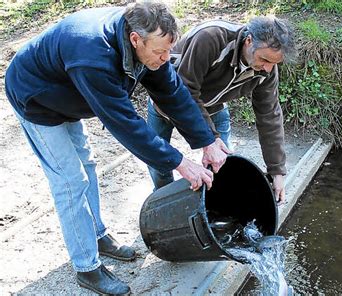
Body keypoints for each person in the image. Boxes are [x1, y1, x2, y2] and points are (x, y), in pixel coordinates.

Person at [5, 2, 229, 295]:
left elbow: (173, 93)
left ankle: (96, 235)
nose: (165, 58)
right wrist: (180, 163)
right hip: (36, 99)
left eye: (167, 51)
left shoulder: (149, 45)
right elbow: (125, 125)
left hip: (69, 95)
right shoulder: (92, 56)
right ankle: (87, 268)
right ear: (136, 40)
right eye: (160, 53)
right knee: (71, 181)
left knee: (87, 165)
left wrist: (206, 141)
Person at [147, 17, 296, 205]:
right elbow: (185, 92)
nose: (267, 68)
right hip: (168, 104)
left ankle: (214, 209)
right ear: (249, 41)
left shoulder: (266, 70)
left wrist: (277, 170)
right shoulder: (210, 38)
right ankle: (163, 203)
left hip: (213, 108)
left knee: (221, 164)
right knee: (160, 163)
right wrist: (210, 139)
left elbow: (269, 115)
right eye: (264, 59)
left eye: (274, 63)